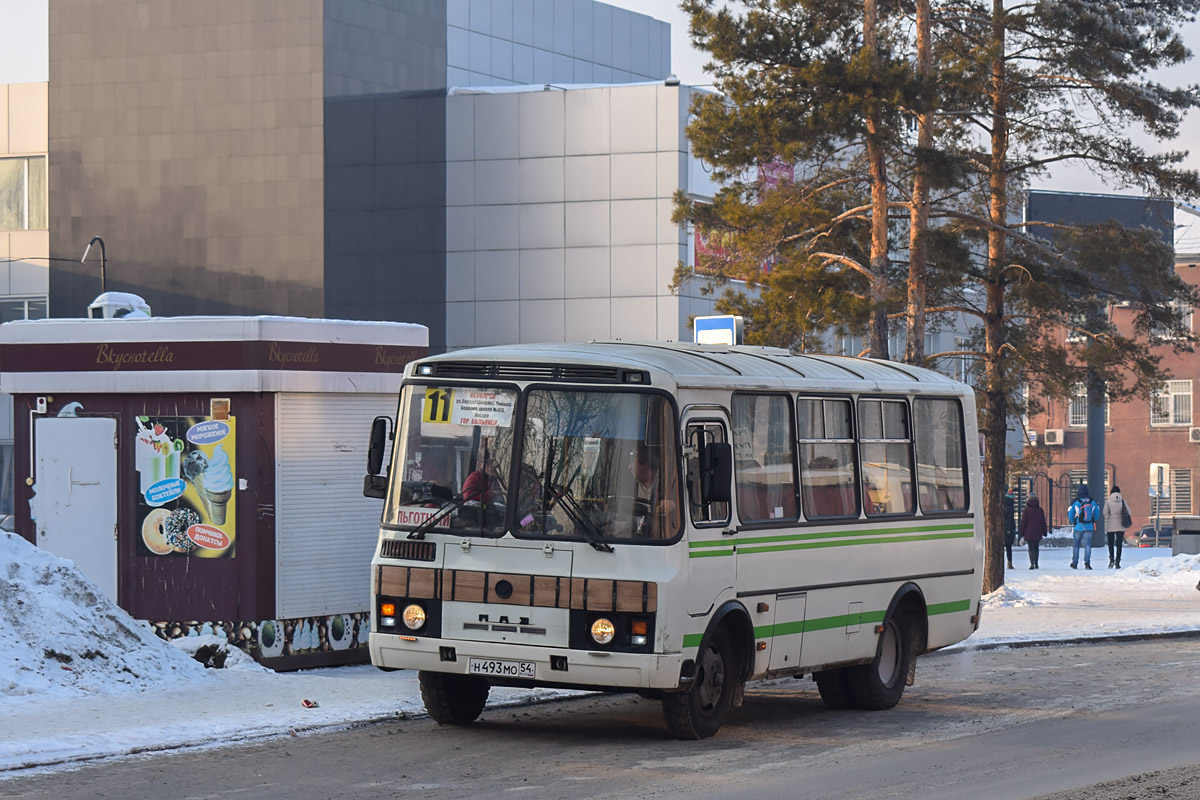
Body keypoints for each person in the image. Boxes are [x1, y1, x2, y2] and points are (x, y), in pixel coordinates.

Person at [1067, 484, 1101, 569]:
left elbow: (1070, 514)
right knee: (1088, 545)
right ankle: (1087, 563)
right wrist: (1092, 520)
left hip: (1078, 527)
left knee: (1076, 545)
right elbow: (1097, 514)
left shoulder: (1076, 502)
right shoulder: (1092, 502)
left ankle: (1075, 563)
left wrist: (1074, 522)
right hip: (1089, 527)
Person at [1103, 484, 1129, 569]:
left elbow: (1105, 513)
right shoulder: (1123, 501)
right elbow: (1129, 512)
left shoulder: (1108, 502)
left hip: (1111, 525)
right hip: (1121, 524)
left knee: (1110, 543)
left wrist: (1108, 518)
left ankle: (1111, 560)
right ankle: (1118, 562)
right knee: (1119, 544)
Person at [1019, 494, 1047, 569]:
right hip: (1038, 532)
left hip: (1029, 532)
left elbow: (1023, 523)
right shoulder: (1040, 510)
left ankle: (1032, 563)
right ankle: (1036, 563)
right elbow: (1043, 522)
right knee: (1036, 547)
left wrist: (1021, 534)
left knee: (1031, 548)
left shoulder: (1026, 511)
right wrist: (1045, 532)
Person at [1003, 490, 1017, 569]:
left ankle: (1003, 563)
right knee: (1008, 547)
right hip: (1008, 529)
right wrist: (1011, 529)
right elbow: (1010, 520)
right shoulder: (1010, 508)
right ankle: (1009, 563)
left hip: (1003, 528)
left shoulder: (1003, 506)